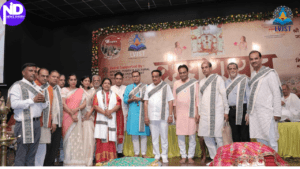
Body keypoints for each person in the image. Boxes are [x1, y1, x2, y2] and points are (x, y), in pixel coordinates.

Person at [9, 63, 47, 166]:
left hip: (36, 123)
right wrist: (32, 100)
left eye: (35, 71)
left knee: (32, 155)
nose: (33, 73)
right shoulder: (17, 86)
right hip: (23, 124)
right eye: (30, 71)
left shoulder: (37, 88)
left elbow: (44, 106)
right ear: (23, 72)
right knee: (21, 155)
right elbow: (14, 104)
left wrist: (44, 101)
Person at [246, 50, 282, 152]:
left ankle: (274, 164)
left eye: (256, 58)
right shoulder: (253, 75)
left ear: (261, 59)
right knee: (260, 140)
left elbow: (276, 93)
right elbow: (251, 96)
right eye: (251, 59)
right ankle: (265, 162)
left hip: (268, 113)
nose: (254, 61)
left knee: (271, 140)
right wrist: (248, 113)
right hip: (256, 114)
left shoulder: (269, 73)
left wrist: (277, 112)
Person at [198, 61, 229, 164]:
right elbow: (200, 99)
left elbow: (224, 95)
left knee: (219, 137)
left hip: (217, 112)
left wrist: (226, 110)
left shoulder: (218, 78)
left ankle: (221, 159)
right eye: (202, 68)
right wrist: (199, 113)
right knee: (206, 136)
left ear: (211, 68)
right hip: (205, 114)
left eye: (206, 67)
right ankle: (214, 159)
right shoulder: (201, 82)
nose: (204, 69)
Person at [172, 64, 204, 164]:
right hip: (180, 112)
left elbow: (197, 98)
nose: (182, 74)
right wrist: (174, 113)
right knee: (180, 135)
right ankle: (183, 156)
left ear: (187, 72)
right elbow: (174, 99)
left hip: (192, 112)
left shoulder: (194, 82)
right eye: (180, 73)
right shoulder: (176, 83)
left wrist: (198, 113)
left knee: (192, 135)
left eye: (184, 72)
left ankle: (190, 156)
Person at [144, 70, 174, 163]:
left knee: (164, 137)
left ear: (160, 77)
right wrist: (146, 116)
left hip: (163, 116)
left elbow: (170, 101)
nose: (154, 78)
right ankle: (156, 154)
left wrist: (170, 115)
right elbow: (146, 102)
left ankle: (164, 155)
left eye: (156, 76)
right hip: (152, 116)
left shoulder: (166, 86)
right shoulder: (148, 88)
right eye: (153, 76)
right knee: (154, 137)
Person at [93, 78, 124, 163]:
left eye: (108, 83)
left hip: (111, 119)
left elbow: (118, 104)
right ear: (102, 85)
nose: (106, 85)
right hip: (101, 119)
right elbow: (95, 106)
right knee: (101, 139)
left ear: (110, 85)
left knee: (110, 139)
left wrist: (110, 111)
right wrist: (105, 113)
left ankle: (110, 158)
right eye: (105, 83)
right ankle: (101, 159)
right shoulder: (98, 94)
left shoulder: (114, 95)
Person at [61, 74, 86, 166]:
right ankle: (68, 161)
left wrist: (77, 109)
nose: (73, 81)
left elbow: (84, 103)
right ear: (68, 81)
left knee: (78, 137)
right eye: (71, 80)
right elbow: (63, 104)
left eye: (75, 79)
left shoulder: (80, 90)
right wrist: (72, 114)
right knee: (68, 140)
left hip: (77, 116)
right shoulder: (64, 90)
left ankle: (78, 161)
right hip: (67, 116)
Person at [124, 71, 150, 158]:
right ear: (132, 77)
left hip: (143, 113)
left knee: (143, 134)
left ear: (140, 76)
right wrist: (132, 99)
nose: (135, 78)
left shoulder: (146, 87)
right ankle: (136, 153)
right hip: (133, 113)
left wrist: (140, 98)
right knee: (134, 134)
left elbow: (149, 99)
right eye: (133, 76)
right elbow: (125, 100)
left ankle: (144, 153)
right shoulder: (128, 87)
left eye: (137, 76)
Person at [225, 62, 250, 142]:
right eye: (230, 69)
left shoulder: (244, 79)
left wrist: (248, 112)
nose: (232, 70)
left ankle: (246, 154)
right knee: (235, 135)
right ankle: (238, 154)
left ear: (237, 69)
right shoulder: (226, 83)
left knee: (244, 135)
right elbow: (224, 99)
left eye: (234, 68)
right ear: (228, 71)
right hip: (231, 111)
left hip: (242, 110)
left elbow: (249, 96)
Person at [44, 70, 64, 166]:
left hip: (59, 122)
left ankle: (50, 164)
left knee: (55, 146)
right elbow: (51, 107)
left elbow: (58, 107)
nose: (55, 79)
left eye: (57, 77)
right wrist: (53, 121)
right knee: (48, 146)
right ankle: (46, 164)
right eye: (53, 77)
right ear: (48, 78)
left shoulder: (58, 88)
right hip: (50, 122)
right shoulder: (46, 88)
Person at [34, 68, 52, 166]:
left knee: (42, 150)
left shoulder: (49, 88)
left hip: (46, 124)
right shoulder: (33, 86)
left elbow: (51, 106)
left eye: (46, 76)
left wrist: (52, 121)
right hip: (35, 122)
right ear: (37, 76)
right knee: (33, 150)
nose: (45, 78)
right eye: (42, 76)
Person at [111, 72, 128, 158]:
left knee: (122, 132)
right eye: (117, 78)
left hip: (124, 113)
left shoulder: (126, 88)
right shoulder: (111, 88)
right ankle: (114, 150)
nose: (118, 80)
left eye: (120, 79)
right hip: (113, 114)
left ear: (122, 79)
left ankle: (120, 151)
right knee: (113, 132)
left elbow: (127, 101)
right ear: (114, 79)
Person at [80, 75, 95, 166]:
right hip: (79, 117)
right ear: (82, 82)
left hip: (89, 117)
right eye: (85, 80)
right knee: (81, 139)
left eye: (88, 81)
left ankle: (89, 160)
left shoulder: (93, 91)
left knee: (89, 140)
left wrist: (90, 113)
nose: (87, 82)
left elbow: (95, 104)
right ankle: (81, 160)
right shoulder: (78, 91)